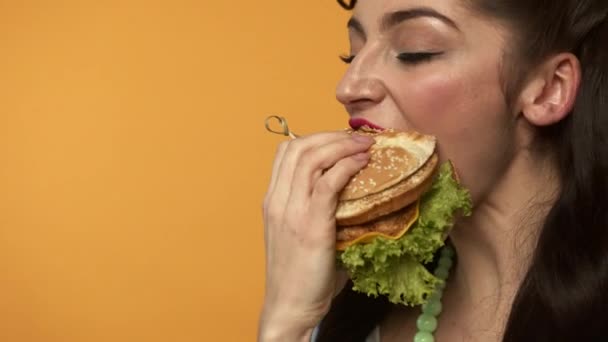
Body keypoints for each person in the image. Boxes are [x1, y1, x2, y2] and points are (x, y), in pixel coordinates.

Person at [258, 0, 608, 340]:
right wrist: (289, 323)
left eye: (415, 52)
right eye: (352, 54)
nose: (348, 87)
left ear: (549, 89)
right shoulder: (350, 315)